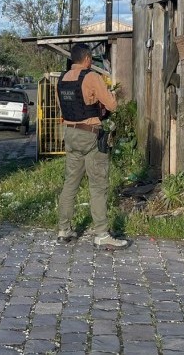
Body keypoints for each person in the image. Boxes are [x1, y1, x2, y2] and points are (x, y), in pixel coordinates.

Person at [56, 43, 129, 250]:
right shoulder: (91, 77)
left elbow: (63, 108)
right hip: (90, 135)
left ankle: (64, 230)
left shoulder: (61, 80)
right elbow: (112, 104)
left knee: (70, 183)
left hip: (70, 134)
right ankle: (101, 234)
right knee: (98, 186)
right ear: (88, 58)